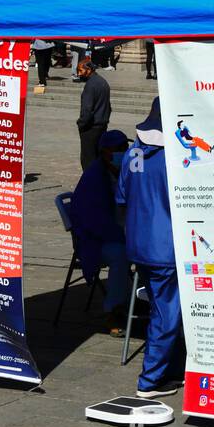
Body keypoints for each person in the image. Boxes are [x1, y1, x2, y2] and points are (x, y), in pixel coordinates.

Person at [117, 98, 183, 397]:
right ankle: (150, 380)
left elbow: (122, 196)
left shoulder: (134, 152)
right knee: (166, 313)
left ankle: (169, 368)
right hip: (165, 247)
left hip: (139, 243)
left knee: (159, 306)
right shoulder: (173, 159)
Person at [68, 129, 131, 334]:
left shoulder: (116, 171)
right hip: (93, 240)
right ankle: (114, 310)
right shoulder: (95, 177)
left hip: (113, 231)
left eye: (125, 148)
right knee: (122, 254)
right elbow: (95, 222)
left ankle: (133, 300)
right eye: (120, 149)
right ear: (106, 152)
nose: (124, 152)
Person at [77, 58, 112, 172]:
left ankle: (90, 184)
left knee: (88, 159)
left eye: (81, 71)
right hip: (102, 125)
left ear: (89, 70)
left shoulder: (90, 85)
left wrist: (81, 123)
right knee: (98, 157)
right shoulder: (102, 81)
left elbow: (87, 110)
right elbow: (108, 106)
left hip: (91, 127)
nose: (79, 74)